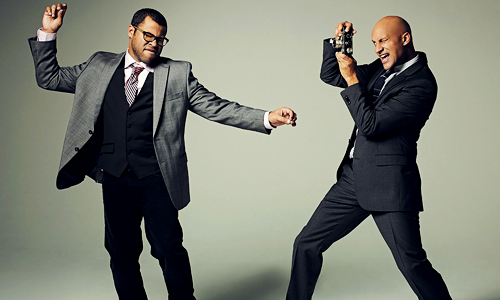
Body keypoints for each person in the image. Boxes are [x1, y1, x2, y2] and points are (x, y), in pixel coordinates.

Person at [29, 3, 297, 300]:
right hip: (114, 176)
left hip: (156, 176)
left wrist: (266, 117)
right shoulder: (98, 66)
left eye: (160, 39)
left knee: (168, 248)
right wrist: (48, 34)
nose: (154, 44)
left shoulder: (177, 73)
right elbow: (49, 79)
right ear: (131, 31)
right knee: (121, 253)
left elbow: (216, 107)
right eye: (148, 36)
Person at [285, 16, 452, 300]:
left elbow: (371, 125)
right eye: (374, 42)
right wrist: (340, 48)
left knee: (412, 265)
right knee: (306, 244)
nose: (377, 48)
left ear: (405, 38)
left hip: (390, 187)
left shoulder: (422, 84)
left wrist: (352, 78)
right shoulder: (381, 68)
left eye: (383, 40)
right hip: (354, 178)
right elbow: (332, 75)